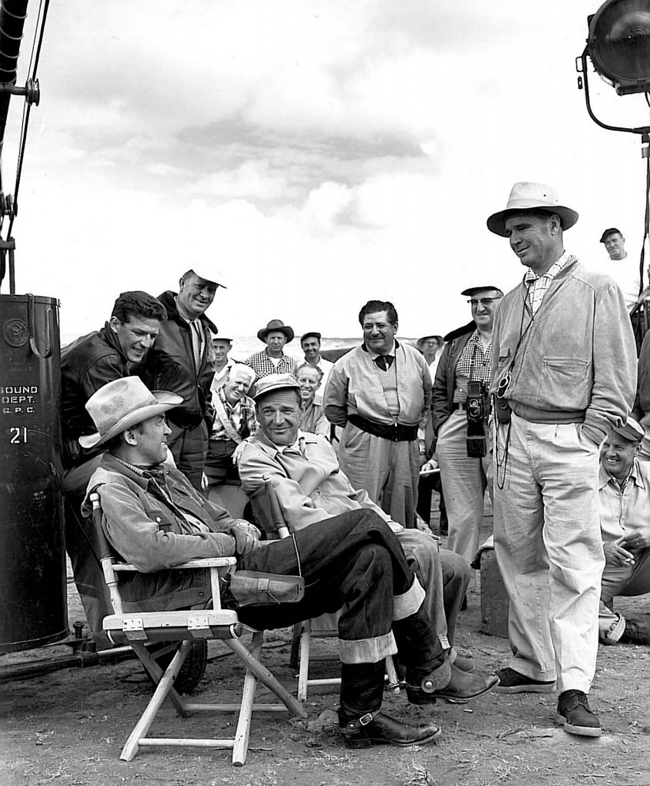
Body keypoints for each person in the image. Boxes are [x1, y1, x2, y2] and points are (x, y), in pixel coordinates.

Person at [81, 376, 496, 748]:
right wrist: (227, 540)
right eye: (158, 423)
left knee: (372, 561)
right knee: (367, 523)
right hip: (218, 588)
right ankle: (428, 661)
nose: (168, 430)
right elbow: (151, 551)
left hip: (241, 571)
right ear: (132, 436)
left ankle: (360, 716)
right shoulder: (113, 486)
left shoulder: (163, 473)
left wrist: (237, 527)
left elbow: (222, 517)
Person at [487, 181, 636, 737]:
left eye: (523, 228)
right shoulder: (508, 300)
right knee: (517, 550)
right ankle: (533, 662)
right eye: (509, 231)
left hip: (569, 439)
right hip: (514, 438)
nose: (514, 239)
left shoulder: (597, 287)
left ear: (555, 226)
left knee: (574, 559)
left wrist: (588, 435)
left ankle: (573, 685)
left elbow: (619, 374)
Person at [238, 374, 491, 666]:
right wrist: (370, 531)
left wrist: (392, 526)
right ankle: (432, 659)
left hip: (365, 529)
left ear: (301, 410)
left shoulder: (317, 443)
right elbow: (301, 518)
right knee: (421, 550)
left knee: (456, 566)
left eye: (286, 411)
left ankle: (430, 650)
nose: (277, 420)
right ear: (257, 415)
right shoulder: (254, 457)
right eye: (268, 412)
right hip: (326, 550)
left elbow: (355, 495)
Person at [61, 290, 167, 640]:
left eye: (152, 335)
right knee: (98, 549)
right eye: (138, 333)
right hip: (76, 465)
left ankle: (109, 634)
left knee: (93, 551)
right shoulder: (101, 361)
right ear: (115, 324)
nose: (146, 342)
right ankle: (115, 634)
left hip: (70, 460)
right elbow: (125, 426)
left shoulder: (98, 347)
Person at [324, 300, 431, 528]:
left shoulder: (416, 359)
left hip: (406, 444)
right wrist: (363, 427)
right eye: (367, 326)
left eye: (380, 325)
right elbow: (332, 408)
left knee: (403, 507)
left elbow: (428, 396)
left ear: (395, 327)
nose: (374, 332)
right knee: (361, 507)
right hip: (363, 444)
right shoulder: (345, 365)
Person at [432, 286, 503, 563]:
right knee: (460, 514)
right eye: (474, 302)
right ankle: (456, 583)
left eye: (487, 301)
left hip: (499, 421)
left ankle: (504, 583)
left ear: (503, 302)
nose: (479, 307)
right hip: (460, 419)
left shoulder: (515, 337)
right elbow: (439, 390)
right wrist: (443, 425)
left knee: (505, 504)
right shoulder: (457, 342)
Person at [148, 268, 225, 489]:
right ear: (182, 283)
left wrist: (205, 417)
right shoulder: (155, 320)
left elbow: (205, 380)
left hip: (196, 430)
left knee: (193, 497)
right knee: (159, 493)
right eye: (200, 287)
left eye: (211, 290)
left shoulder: (205, 328)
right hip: (161, 427)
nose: (205, 295)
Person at [597, 418, 650, 645]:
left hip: (642, 566)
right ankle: (628, 630)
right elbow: (559, 533)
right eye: (605, 445)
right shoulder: (581, 478)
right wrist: (601, 549)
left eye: (619, 447)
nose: (610, 453)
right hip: (599, 568)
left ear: (637, 450)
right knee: (560, 599)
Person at [204, 364, 257, 484]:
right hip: (209, 458)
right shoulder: (209, 399)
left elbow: (256, 435)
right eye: (238, 382)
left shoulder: (250, 405)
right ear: (228, 380)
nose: (240, 388)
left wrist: (245, 443)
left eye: (246, 385)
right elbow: (197, 437)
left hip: (235, 458)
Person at [599, 228, 640, 314]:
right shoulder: (601, 269)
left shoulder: (639, 263)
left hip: (639, 315)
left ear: (623, 240)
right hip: (614, 317)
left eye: (614, 240)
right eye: (607, 243)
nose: (611, 245)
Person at [296, 364, 329, 437]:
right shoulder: (285, 403)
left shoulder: (324, 405)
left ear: (318, 385)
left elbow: (321, 437)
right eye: (303, 380)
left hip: (313, 446)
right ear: (295, 381)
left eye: (311, 382)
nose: (307, 385)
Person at [300, 331, 334, 395]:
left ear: (319, 345)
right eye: (306, 345)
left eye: (313, 344)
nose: (310, 348)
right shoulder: (296, 367)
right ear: (302, 347)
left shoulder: (331, 368)